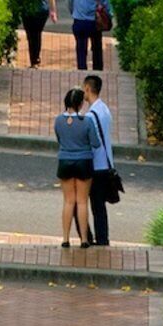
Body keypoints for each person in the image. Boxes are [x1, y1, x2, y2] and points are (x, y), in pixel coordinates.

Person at [53, 87, 105, 248]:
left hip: (65, 161)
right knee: (82, 202)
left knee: (68, 201)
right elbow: (96, 143)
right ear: (81, 103)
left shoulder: (58, 120)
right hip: (84, 162)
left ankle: (65, 238)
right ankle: (84, 239)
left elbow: (59, 139)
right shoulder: (86, 121)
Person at [83, 73, 120, 248]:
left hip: (96, 166)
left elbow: (92, 142)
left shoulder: (90, 116)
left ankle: (98, 240)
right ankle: (103, 238)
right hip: (107, 165)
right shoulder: (104, 109)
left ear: (88, 89)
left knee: (95, 205)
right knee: (100, 207)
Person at [65, 0, 115, 72]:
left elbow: (69, 3)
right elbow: (106, 3)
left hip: (79, 22)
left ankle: (82, 71)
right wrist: (109, 16)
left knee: (81, 48)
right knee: (97, 47)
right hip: (94, 22)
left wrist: (75, 13)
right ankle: (97, 71)